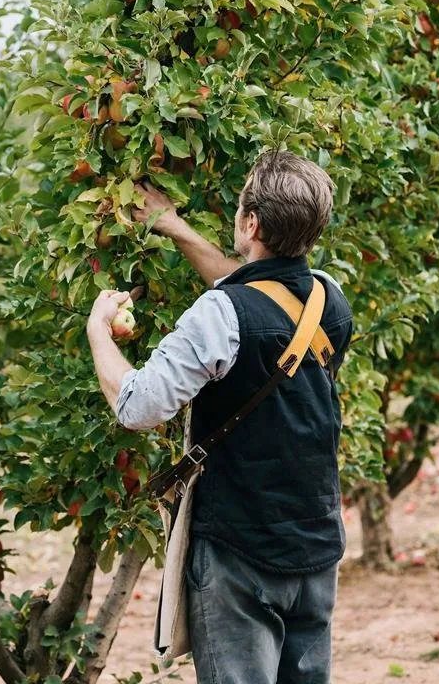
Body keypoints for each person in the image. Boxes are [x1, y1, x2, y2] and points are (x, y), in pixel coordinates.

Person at [86, 150, 353, 684]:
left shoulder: (220, 315)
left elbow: (138, 405)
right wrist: (176, 229)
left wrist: (97, 330)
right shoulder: (328, 298)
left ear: (251, 222)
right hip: (316, 544)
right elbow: (258, 293)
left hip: (240, 549)